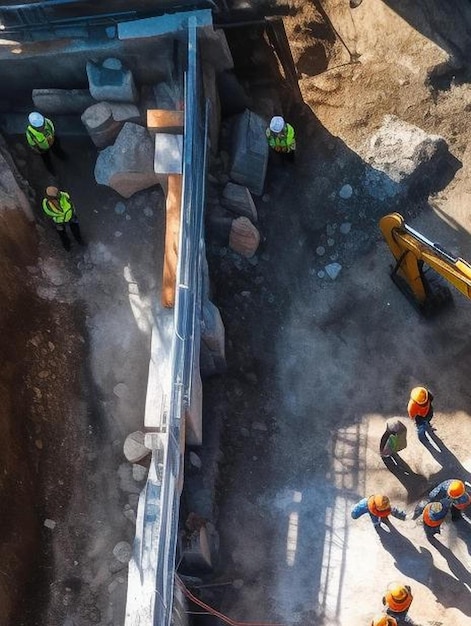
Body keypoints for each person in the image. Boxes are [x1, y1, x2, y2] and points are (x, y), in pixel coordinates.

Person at [42, 186, 84, 251]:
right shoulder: (46, 204)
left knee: (76, 230)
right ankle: (67, 245)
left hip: (70, 217)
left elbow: (71, 205)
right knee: (62, 235)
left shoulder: (64, 196)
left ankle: (79, 240)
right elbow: (48, 213)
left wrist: (73, 213)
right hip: (59, 222)